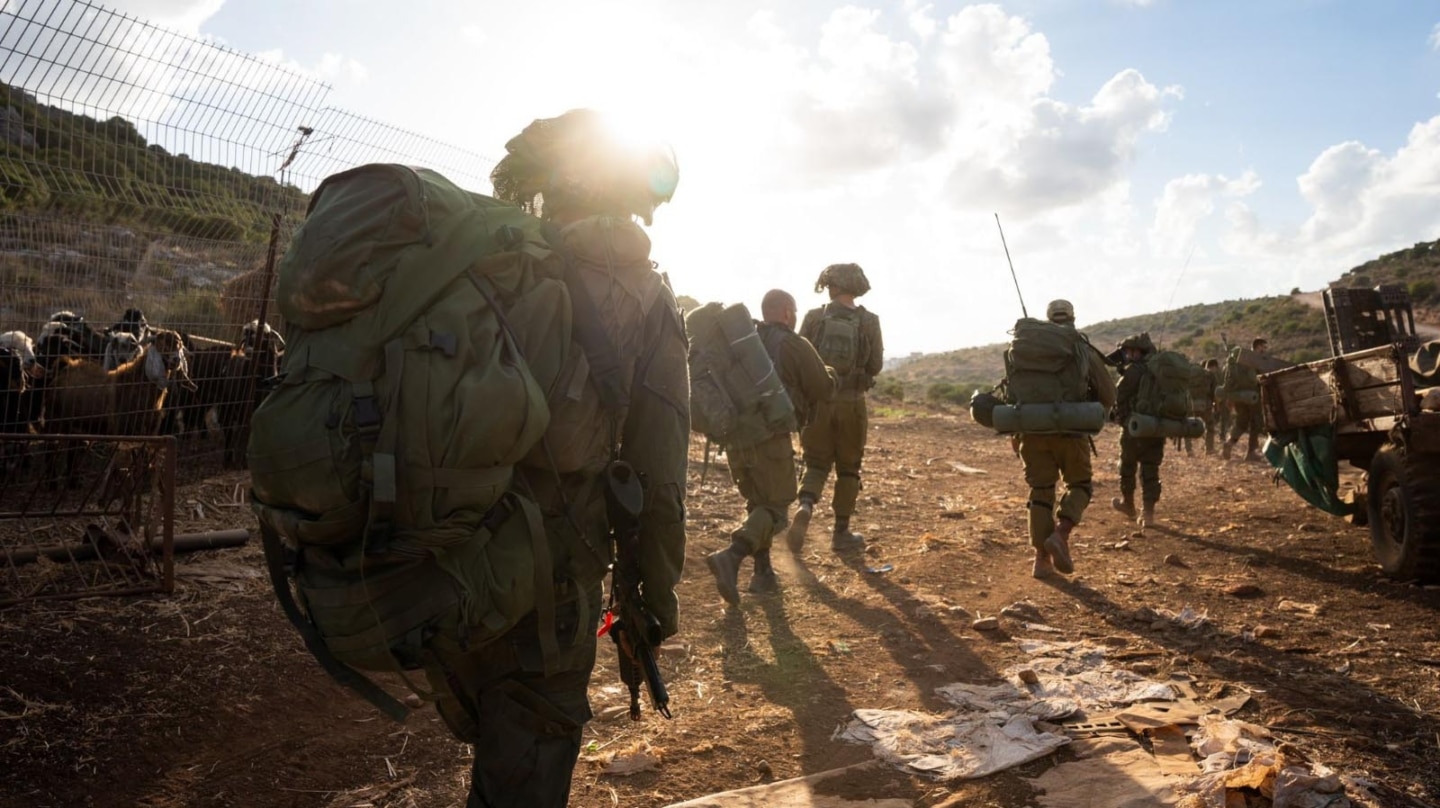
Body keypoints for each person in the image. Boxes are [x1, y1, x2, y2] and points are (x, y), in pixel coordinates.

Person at [442, 110, 690, 808]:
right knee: (535, 729)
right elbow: (659, 469)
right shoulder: (644, 294)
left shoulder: (481, 267)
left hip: (449, 536)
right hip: (557, 555)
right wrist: (652, 599)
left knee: (494, 716)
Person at [706, 289, 835, 604]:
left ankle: (763, 575)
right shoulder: (794, 344)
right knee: (776, 509)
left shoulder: (742, 345)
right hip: (771, 439)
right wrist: (828, 372)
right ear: (789, 312)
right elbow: (823, 387)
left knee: (758, 503)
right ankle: (732, 556)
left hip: (735, 439)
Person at [787, 263, 883, 552]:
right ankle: (841, 532)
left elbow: (799, 357)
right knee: (849, 468)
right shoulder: (869, 320)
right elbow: (875, 365)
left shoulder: (815, 318)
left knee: (816, 463)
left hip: (818, 404)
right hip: (852, 404)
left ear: (832, 285)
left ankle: (805, 505)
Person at [1021, 299, 1116, 578]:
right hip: (1070, 431)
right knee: (1080, 485)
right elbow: (1109, 395)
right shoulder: (1080, 347)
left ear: (1048, 319)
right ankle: (1061, 534)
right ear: (1072, 318)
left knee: (1040, 492)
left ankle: (1041, 560)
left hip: (1031, 431)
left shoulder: (1027, 349)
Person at [1111, 332, 1165, 527]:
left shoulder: (1135, 370)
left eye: (1128, 351)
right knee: (1151, 468)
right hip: (1157, 427)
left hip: (1134, 427)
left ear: (1137, 351)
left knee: (1127, 465)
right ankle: (1149, 514)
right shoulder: (1160, 369)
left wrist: (1119, 415)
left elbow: (1120, 394)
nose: (1126, 355)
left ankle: (1129, 504)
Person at [1222, 337, 1268, 461]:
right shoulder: (1255, 359)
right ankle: (1251, 452)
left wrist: (1229, 397)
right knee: (1256, 423)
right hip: (1253, 396)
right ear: (1257, 347)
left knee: (1241, 422)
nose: (1264, 350)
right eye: (1263, 347)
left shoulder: (1239, 359)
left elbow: (1228, 378)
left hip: (1238, 396)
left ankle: (1229, 443)